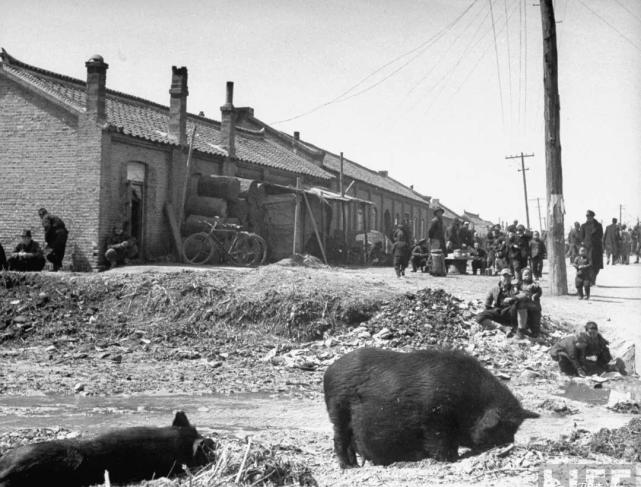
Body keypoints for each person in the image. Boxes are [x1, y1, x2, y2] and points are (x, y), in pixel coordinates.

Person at [513, 268, 542, 338]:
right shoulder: (519, 284)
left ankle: (536, 331)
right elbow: (514, 291)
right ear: (521, 276)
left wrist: (535, 295)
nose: (527, 276)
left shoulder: (533, 284)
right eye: (525, 275)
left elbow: (539, 292)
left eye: (529, 274)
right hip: (522, 304)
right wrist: (516, 290)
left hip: (532, 304)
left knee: (535, 316)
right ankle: (521, 329)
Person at [579, 210, 603, 285]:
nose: (588, 217)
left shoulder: (598, 225)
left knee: (597, 265)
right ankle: (590, 280)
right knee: (588, 265)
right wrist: (583, 245)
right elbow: (581, 237)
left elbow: (601, 235)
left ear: (593, 217)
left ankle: (593, 278)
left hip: (596, 248)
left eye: (590, 216)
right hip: (587, 249)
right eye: (587, 216)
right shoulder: (583, 226)